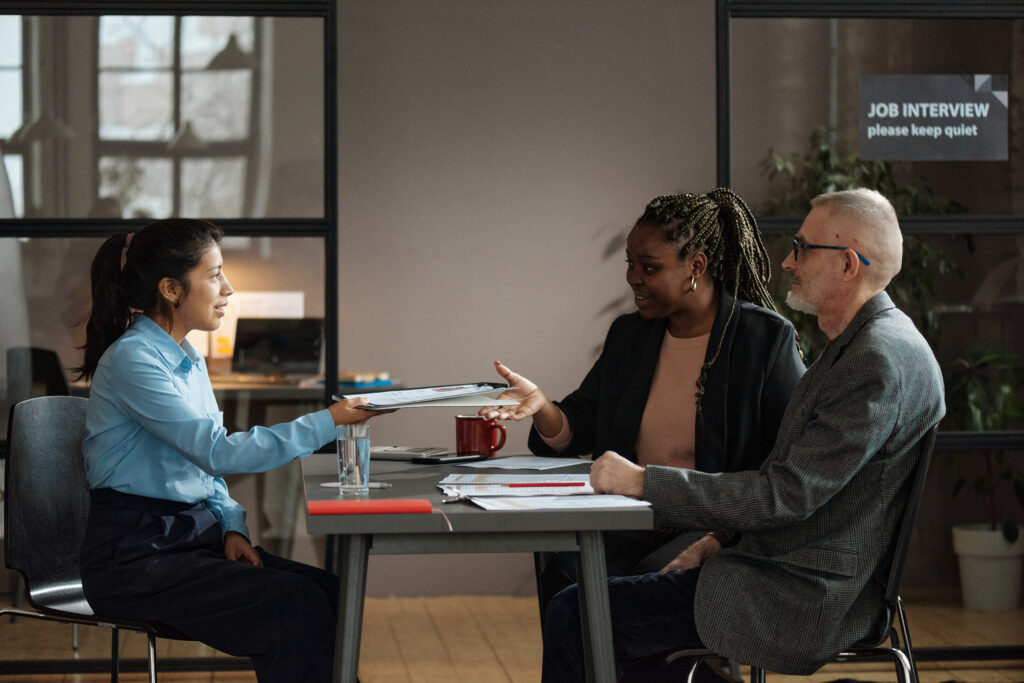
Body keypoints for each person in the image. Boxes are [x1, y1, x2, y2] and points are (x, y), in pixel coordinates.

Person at [541, 188, 946, 682]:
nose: (787, 262)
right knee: (588, 600)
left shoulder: (875, 361)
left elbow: (784, 493)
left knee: (577, 615)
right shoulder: (870, 344)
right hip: (779, 565)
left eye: (801, 248)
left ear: (847, 264)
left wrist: (644, 483)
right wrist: (722, 539)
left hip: (798, 592)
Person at [73, 218, 388, 683]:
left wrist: (230, 527)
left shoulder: (188, 359)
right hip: (134, 556)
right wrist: (329, 421)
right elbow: (218, 453)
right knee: (294, 605)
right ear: (171, 288)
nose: (228, 288)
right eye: (215, 274)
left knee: (331, 592)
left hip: (188, 538)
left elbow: (202, 471)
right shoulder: (134, 360)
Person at [482, 189, 805, 608]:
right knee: (565, 570)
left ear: (697, 266)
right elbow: (582, 422)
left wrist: (722, 536)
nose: (634, 277)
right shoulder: (630, 335)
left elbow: (787, 467)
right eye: (630, 264)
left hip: (714, 527)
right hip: (631, 517)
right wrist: (543, 408)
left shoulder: (762, 340)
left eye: (649, 267)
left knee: (626, 594)